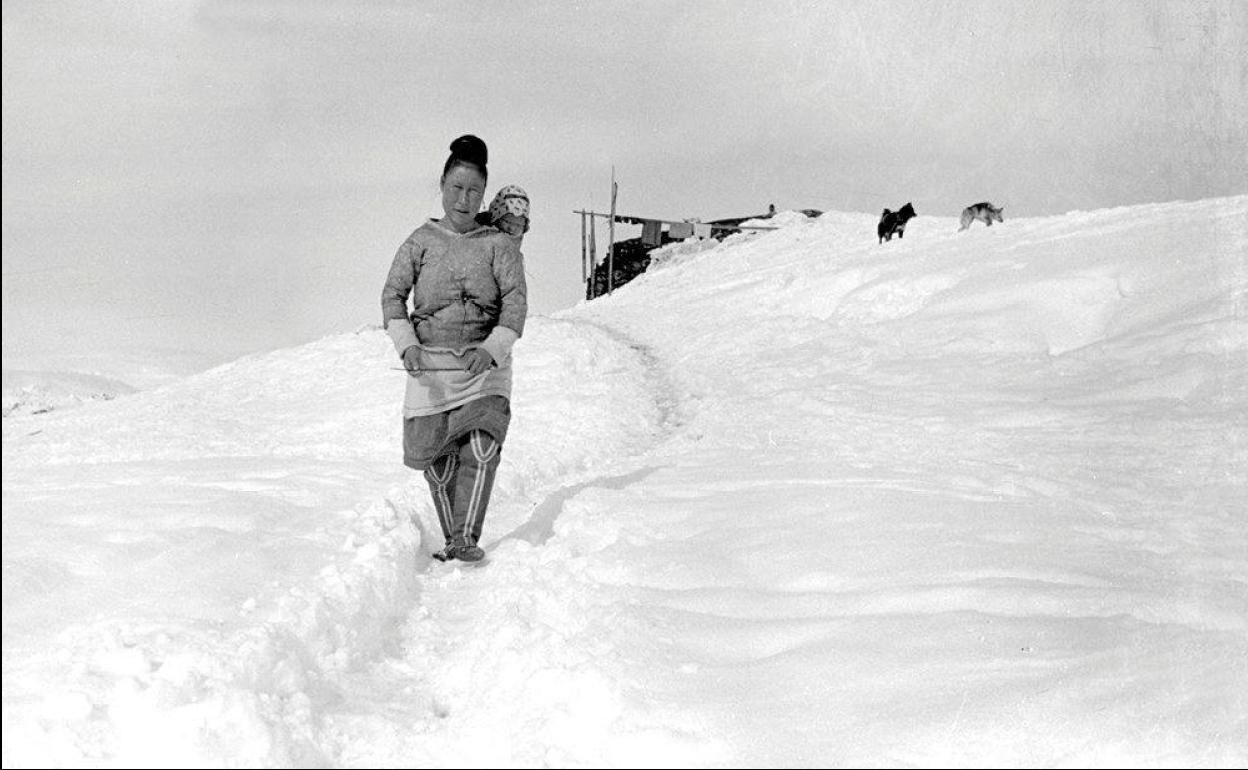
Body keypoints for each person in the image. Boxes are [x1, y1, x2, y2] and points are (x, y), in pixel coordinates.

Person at [380, 135, 527, 563]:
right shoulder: (419, 242)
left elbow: (515, 304)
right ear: (442, 186)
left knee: (481, 447)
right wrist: (406, 345)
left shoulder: (498, 245)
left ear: (484, 195)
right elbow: (392, 296)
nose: (464, 199)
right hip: (431, 372)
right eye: (456, 188)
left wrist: (493, 348)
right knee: (441, 466)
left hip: (484, 369)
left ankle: (464, 538)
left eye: (474, 191)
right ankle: (453, 538)